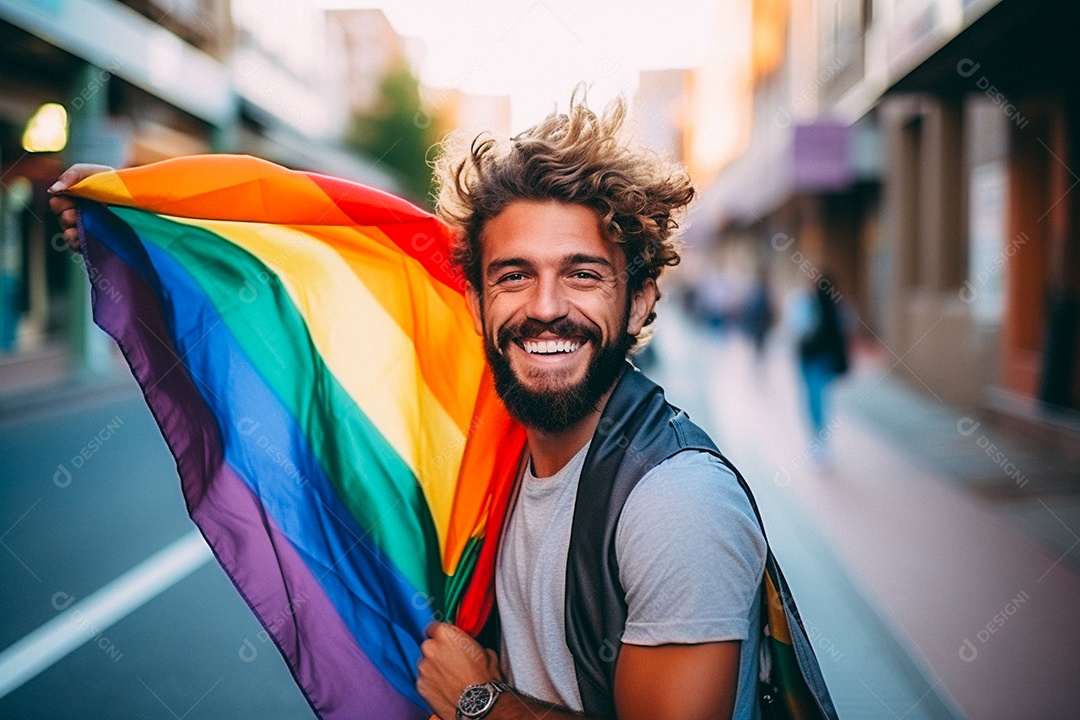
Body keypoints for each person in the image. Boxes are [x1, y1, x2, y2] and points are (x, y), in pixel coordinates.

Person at [50, 95, 769, 720]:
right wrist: (140, 228)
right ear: (476, 302)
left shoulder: (674, 502)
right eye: (514, 275)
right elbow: (313, 299)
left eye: (582, 274)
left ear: (640, 297)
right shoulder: (494, 448)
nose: (545, 308)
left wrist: (481, 704)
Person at [787, 275, 849, 467]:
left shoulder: (827, 305)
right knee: (815, 399)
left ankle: (819, 441)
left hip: (818, 360)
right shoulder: (809, 303)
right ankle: (818, 440)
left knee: (817, 400)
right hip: (810, 359)